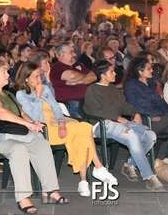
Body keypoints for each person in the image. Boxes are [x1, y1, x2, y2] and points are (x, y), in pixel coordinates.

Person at [0, 59, 68, 214]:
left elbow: (22, 113)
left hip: (8, 135)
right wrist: (29, 125)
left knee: (40, 142)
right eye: (5, 71)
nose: (8, 74)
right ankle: (23, 198)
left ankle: (50, 189)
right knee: (18, 149)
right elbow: (1, 114)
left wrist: (34, 124)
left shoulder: (8, 94)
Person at [16, 62, 117, 197]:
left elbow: (57, 108)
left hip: (59, 123)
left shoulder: (45, 88)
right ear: (26, 78)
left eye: (40, 76)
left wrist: (62, 123)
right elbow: (34, 117)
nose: (39, 80)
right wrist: (38, 97)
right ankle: (95, 170)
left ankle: (85, 180)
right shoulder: (21, 94)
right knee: (84, 130)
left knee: (84, 129)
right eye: (35, 77)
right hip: (43, 128)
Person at [84, 60, 164, 191]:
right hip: (101, 125)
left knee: (150, 135)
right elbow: (93, 111)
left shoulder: (113, 89)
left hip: (118, 123)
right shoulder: (92, 89)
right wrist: (117, 118)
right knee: (131, 135)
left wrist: (135, 113)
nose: (115, 73)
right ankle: (149, 176)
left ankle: (129, 165)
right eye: (112, 71)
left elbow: (124, 105)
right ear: (103, 75)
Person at [50, 42, 96, 118]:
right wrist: (86, 78)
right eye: (71, 52)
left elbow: (94, 76)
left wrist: (80, 81)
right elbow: (72, 76)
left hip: (87, 100)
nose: (74, 54)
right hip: (72, 103)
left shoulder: (77, 64)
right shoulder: (57, 67)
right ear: (61, 54)